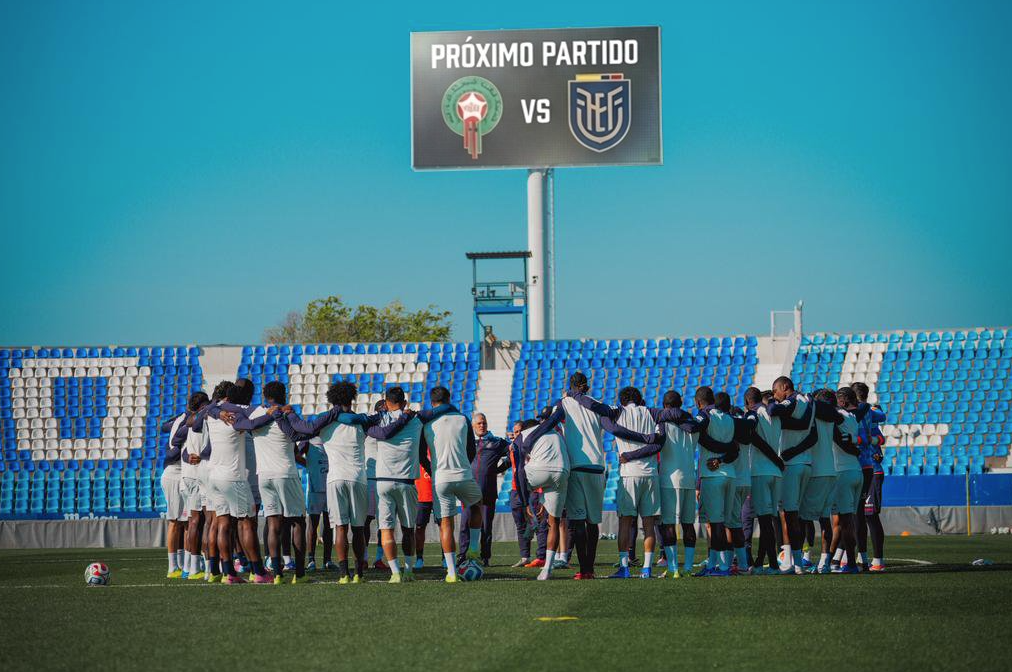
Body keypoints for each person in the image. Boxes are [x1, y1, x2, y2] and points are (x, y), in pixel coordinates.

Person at [283, 381, 414, 583]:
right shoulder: (361, 421)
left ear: (332, 399)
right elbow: (384, 433)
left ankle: (344, 574)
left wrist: (288, 414)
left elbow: (299, 431)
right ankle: (358, 574)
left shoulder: (324, 422)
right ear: (352, 398)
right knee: (359, 529)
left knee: (340, 527)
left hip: (335, 479)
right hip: (358, 478)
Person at [214, 381, 308, 584]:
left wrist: (217, 411)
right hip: (286, 473)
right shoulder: (286, 414)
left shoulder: (255, 414)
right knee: (298, 521)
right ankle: (299, 574)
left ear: (265, 396)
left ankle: (277, 574)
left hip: (263, 475)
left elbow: (225, 408)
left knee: (273, 522)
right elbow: (302, 435)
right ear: (284, 394)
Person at [594, 387, 665, 579]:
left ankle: (624, 567)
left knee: (625, 522)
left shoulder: (619, 413)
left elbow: (605, 421)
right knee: (649, 524)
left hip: (629, 474)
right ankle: (647, 568)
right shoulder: (651, 412)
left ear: (622, 400)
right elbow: (659, 441)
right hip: (650, 473)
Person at [545, 372, 609, 580]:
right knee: (593, 522)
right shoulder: (597, 404)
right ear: (586, 386)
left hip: (576, 467)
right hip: (597, 467)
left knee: (578, 521)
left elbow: (549, 421)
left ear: (570, 387)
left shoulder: (564, 403)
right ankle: (590, 567)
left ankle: (584, 570)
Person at [419, 386, 483, 583]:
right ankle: (473, 548)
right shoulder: (462, 418)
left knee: (446, 524)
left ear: (432, 403)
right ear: (449, 399)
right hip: (463, 474)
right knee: (476, 504)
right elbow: (472, 450)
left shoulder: (427, 421)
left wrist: (432, 470)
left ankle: (452, 573)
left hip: (441, 479)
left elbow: (421, 455)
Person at [768, 376, 818, 574]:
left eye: (775, 392)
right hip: (805, 462)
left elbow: (773, 410)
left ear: (784, 388)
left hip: (792, 465)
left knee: (789, 515)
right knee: (794, 514)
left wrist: (772, 403)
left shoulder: (793, 400)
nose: (775, 396)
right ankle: (794, 560)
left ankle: (795, 564)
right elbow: (812, 436)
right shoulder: (808, 402)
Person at [372, 386, 424, 583]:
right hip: (406, 481)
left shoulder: (380, 420)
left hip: (383, 481)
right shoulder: (416, 420)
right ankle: (409, 570)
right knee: (408, 528)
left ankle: (394, 572)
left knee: (386, 529)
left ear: (385, 403)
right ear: (404, 403)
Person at [514, 407, 570, 580]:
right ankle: (547, 569)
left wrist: (526, 503)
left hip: (540, 471)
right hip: (562, 471)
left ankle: (527, 506)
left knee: (520, 472)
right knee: (554, 521)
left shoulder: (525, 433)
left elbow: (516, 459)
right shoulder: (555, 432)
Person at [694, 388, 738, 576]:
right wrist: (722, 456)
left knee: (716, 523)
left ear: (698, 402)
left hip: (712, 475)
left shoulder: (706, 416)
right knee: (723, 522)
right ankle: (713, 564)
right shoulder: (728, 418)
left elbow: (699, 436)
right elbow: (735, 449)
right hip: (729, 474)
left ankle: (723, 567)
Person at [745, 388, 786, 574]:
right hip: (776, 473)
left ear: (747, 401)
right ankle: (761, 563)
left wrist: (773, 457)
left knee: (764, 520)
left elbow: (753, 438)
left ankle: (774, 565)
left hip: (761, 470)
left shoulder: (754, 413)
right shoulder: (775, 413)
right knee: (768, 519)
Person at [460, 412, 510, 566]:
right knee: (465, 524)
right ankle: (462, 555)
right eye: (479, 423)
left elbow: (513, 454)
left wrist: (499, 468)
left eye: (484, 423)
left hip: (488, 491)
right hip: (468, 490)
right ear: (473, 426)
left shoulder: (497, 442)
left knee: (486, 526)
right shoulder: (465, 442)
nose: (482, 426)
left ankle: (485, 557)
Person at [174, 391, 210, 581]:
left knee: (194, 522)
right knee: (202, 521)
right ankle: (200, 568)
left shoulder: (189, 421)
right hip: (197, 476)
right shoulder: (203, 421)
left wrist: (188, 455)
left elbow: (181, 444)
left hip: (187, 475)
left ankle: (189, 566)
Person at [853, 381, 887, 571]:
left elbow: (880, 435)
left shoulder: (867, 414)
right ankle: (859, 556)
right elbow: (879, 436)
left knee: (869, 516)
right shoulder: (866, 416)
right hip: (863, 469)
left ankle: (877, 560)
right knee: (857, 516)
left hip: (872, 470)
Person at [830, 386, 863, 574]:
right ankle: (838, 560)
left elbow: (842, 442)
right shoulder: (852, 417)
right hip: (855, 470)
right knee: (847, 519)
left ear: (841, 401)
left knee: (846, 522)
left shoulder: (840, 416)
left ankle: (850, 563)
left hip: (842, 472)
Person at [506, 420, 547, 568]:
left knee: (538, 524)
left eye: (519, 432)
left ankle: (541, 556)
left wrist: (540, 492)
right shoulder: (512, 448)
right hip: (516, 490)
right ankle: (525, 557)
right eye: (515, 432)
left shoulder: (531, 446)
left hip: (532, 490)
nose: (517, 435)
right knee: (520, 525)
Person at [160, 408, 189, 578]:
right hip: (174, 474)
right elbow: (166, 428)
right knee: (175, 522)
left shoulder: (182, 419)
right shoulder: (185, 421)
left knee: (185, 522)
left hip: (182, 474)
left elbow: (164, 426)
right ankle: (172, 567)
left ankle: (184, 565)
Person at [298, 436, 334, 572]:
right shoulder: (308, 439)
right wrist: (309, 464)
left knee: (329, 524)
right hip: (314, 487)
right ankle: (311, 560)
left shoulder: (331, 436)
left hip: (330, 486)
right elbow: (296, 454)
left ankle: (328, 560)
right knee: (313, 523)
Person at [414, 461, 434, 569]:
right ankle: (419, 558)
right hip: (422, 495)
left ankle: (445, 558)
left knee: (443, 526)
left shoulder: (438, 448)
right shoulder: (418, 448)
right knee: (420, 527)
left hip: (438, 493)